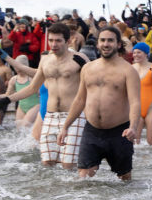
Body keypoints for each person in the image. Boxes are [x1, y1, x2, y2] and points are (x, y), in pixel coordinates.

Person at [0, 23, 87, 169]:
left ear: (67, 41)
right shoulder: (45, 60)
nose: (53, 44)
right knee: (47, 163)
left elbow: (95, 82)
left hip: (73, 116)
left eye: (58, 40)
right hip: (50, 116)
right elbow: (32, 87)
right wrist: (7, 99)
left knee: (68, 165)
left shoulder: (79, 58)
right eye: (51, 40)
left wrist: (87, 67)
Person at [59, 26, 140, 180]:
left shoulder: (128, 71)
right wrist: (65, 127)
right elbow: (80, 100)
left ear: (118, 44)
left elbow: (135, 102)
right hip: (92, 131)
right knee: (84, 179)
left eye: (110, 40)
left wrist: (133, 127)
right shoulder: (87, 68)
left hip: (119, 132)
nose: (106, 44)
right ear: (97, 44)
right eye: (102, 40)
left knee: (124, 181)